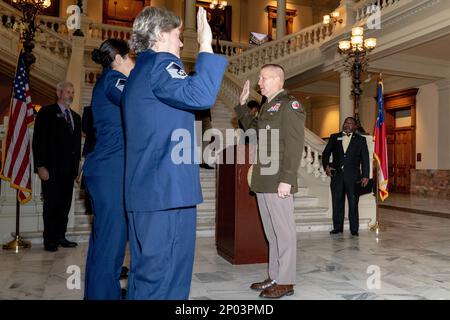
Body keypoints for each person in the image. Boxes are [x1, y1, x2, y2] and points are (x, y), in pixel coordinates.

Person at [121, 7, 228, 300]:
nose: (182, 44)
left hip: (156, 192)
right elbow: (200, 96)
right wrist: (205, 45)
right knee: (164, 280)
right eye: (178, 36)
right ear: (158, 35)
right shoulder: (160, 63)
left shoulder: (140, 70)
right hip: (164, 193)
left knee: (151, 279)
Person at [235, 64, 305, 299]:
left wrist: (287, 179)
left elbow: (295, 145)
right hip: (264, 178)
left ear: (277, 79)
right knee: (272, 232)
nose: (259, 83)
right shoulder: (268, 106)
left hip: (278, 180)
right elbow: (253, 130)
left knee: (284, 232)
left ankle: (286, 281)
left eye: (263, 78)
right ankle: (275, 275)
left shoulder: (289, 105)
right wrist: (242, 105)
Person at [82, 39, 135, 300]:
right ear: (118, 58)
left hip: (105, 170)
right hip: (111, 171)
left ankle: (98, 295)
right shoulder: (115, 78)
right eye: (131, 58)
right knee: (112, 244)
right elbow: (134, 101)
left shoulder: (106, 79)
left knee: (103, 242)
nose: (133, 64)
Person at [32, 81, 81, 252]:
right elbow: (38, 141)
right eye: (68, 91)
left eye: (72, 92)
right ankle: (50, 239)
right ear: (58, 93)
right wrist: (40, 166)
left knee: (64, 205)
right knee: (51, 205)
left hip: (69, 172)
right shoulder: (46, 113)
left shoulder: (76, 117)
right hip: (51, 170)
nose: (71, 95)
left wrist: (76, 171)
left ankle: (61, 236)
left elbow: (76, 146)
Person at [322, 117, 370, 236]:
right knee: (337, 202)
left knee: (353, 203)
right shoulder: (334, 137)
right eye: (345, 122)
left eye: (350, 123)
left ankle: (354, 229)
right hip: (337, 176)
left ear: (355, 126)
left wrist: (365, 176)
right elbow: (326, 153)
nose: (347, 125)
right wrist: (326, 166)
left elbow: (365, 159)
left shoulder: (360, 140)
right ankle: (337, 227)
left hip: (354, 177)